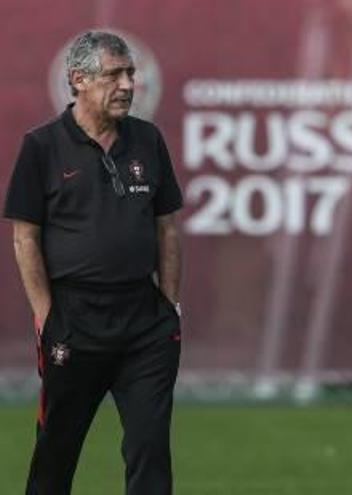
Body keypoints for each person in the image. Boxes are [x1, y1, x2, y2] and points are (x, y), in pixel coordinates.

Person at [4, 31, 183, 495]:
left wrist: (169, 307)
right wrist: (46, 316)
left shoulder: (148, 139)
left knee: (149, 450)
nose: (127, 85)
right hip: (74, 321)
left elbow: (168, 226)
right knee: (56, 453)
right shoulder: (41, 146)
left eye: (131, 74)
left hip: (145, 324)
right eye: (115, 75)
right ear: (78, 80)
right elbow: (25, 235)